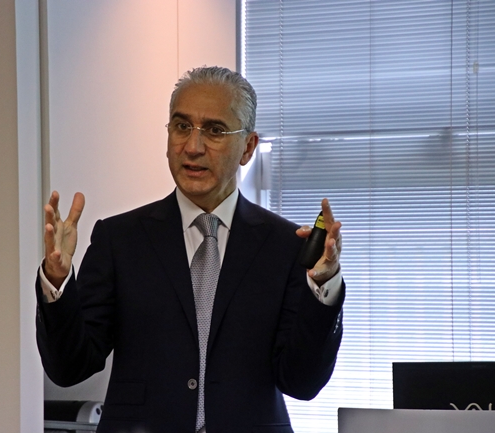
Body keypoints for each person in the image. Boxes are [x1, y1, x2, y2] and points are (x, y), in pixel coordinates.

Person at [36, 66, 344, 433]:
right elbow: (70, 368)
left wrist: (322, 288)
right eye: (182, 127)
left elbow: (302, 382)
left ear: (248, 147)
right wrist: (57, 281)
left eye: (214, 131)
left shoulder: (286, 245)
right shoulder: (119, 239)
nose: (193, 147)